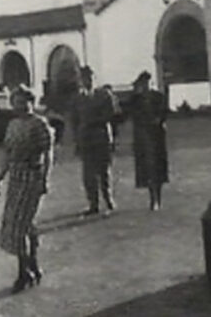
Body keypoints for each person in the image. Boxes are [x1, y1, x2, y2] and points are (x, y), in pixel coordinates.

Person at [0, 85, 54, 294]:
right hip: (16, 178)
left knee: (20, 225)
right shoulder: (12, 125)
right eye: (16, 102)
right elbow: (8, 154)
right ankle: (33, 266)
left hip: (32, 177)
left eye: (24, 102)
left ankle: (22, 273)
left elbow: (48, 154)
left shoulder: (39, 124)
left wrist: (45, 179)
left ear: (31, 102)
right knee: (24, 226)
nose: (20, 106)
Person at [70, 66, 118, 217]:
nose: (87, 81)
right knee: (88, 174)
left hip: (101, 136)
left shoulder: (104, 95)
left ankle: (108, 200)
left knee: (104, 171)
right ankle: (93, 204)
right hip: (86, 138)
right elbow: (74, 121)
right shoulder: (78, 99)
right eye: (84, 78)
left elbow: (111, 114)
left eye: (90, 78)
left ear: (94, 78)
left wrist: (92, 121)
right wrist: (77, 140)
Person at [128, 71, 169, 210]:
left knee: (157, 168)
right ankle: (153, 198)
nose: (145, 86)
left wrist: (158, 120)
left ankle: (158, 197)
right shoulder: (136, 100)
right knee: (148, 169)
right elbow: (130, 114)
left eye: (147, 83)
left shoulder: (158, 97)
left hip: (156, 137)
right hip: (143, 137)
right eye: (143, 83)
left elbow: (164, 113)